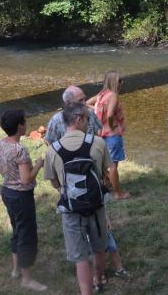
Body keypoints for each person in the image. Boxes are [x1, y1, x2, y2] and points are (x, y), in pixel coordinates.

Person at [44, 102, 111, 295]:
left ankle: (86, 292)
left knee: (80, 256)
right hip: (96, 205)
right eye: (88, 120)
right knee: (99, 247)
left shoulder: (52, 150)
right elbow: (104, 173)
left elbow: (54, 183)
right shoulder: (98, 143)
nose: (89, 124)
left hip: (71, 209)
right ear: (79, 119)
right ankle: (99, 280)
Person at [0, 109, 47, 292]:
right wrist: (38, 164)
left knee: (17, 230)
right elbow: (26, 180)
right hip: (21, 197)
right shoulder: (19, 150)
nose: (26, 123)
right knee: (26, 235)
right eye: (24, 121)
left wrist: (9, 170)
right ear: (20, 126)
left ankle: (16, 270)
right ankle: (27, 279)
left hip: (7, 192)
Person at [87, 71, 130, 200]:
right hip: (112, 135)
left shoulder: (101, 94)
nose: (122, 83)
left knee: (105, 162)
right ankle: (118, 193)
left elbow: (86, 103)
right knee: (113, 165)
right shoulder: (113, 95)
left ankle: (107, 185)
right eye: (120, 80)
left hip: (101, 134)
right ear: (115, 82)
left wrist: (97, 112)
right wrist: (111, 125)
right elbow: (110, 114)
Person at [92, 212, 131, 286]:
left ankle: (120, 269)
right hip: (93, 230)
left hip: (104, 228)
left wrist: (107, 220)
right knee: (99, 254)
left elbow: (103, 207)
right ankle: (100, 275)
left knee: (113, 248)